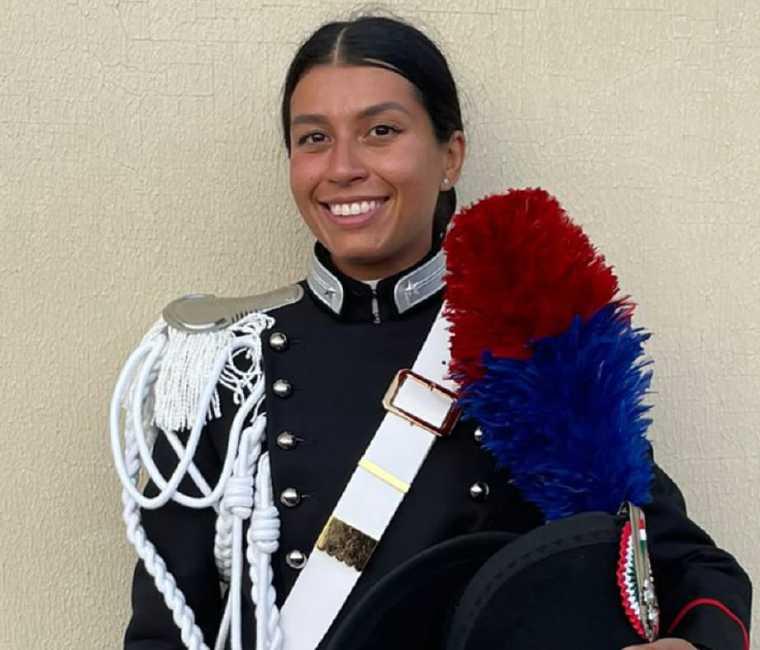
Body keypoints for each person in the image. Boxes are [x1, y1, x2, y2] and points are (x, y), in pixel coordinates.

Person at [115, 14, 751, 650]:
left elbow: (687, 568)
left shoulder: (524, 343)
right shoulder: (229, 366)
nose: (342, 167)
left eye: (381, 131)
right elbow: (162, 631)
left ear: (450, 155)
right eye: (313, 138)